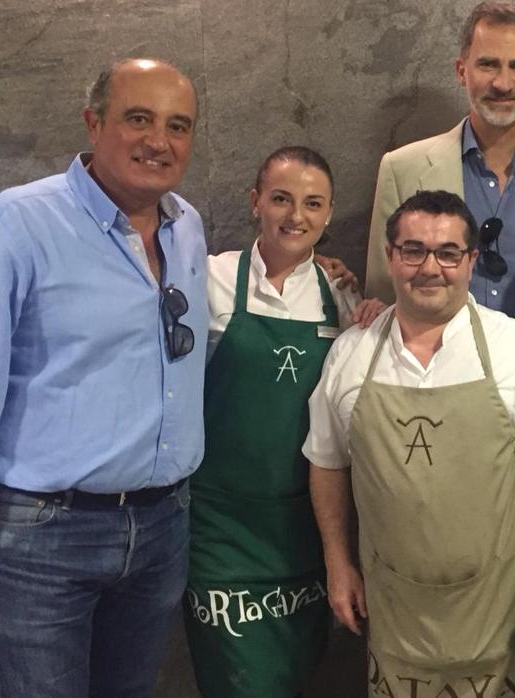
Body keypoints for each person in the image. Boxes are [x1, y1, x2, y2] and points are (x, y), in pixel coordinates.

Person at [0, 58, 205, 697]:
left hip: (163, 528)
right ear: (93, 123)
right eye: (139, 118)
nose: (159, 141)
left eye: (178, 125)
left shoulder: (186, 227)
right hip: (44, 538)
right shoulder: (13, 227)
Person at [305, 190, 515, 696]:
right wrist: (337, 565)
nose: (430, 268)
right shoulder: (350, 354)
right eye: (413, 250)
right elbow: (326, 463)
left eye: (448, 253)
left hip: (500, 614)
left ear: (471, 260)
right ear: (390, 256)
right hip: (394, 616)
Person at [184, 146, 383, 697]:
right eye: (281, 199)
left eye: (313, 204)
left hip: (306, 526)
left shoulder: (339, 294)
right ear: (255, 202)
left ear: (329, 212)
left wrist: (374, 314)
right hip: (220, 527)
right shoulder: (210, 279)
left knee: (297, 674)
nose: (296, 216)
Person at [363, 2, 515, 317]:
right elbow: (382, 301)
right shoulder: (401, 169)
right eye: (488, 64)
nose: (503, 83)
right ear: (461, 71)